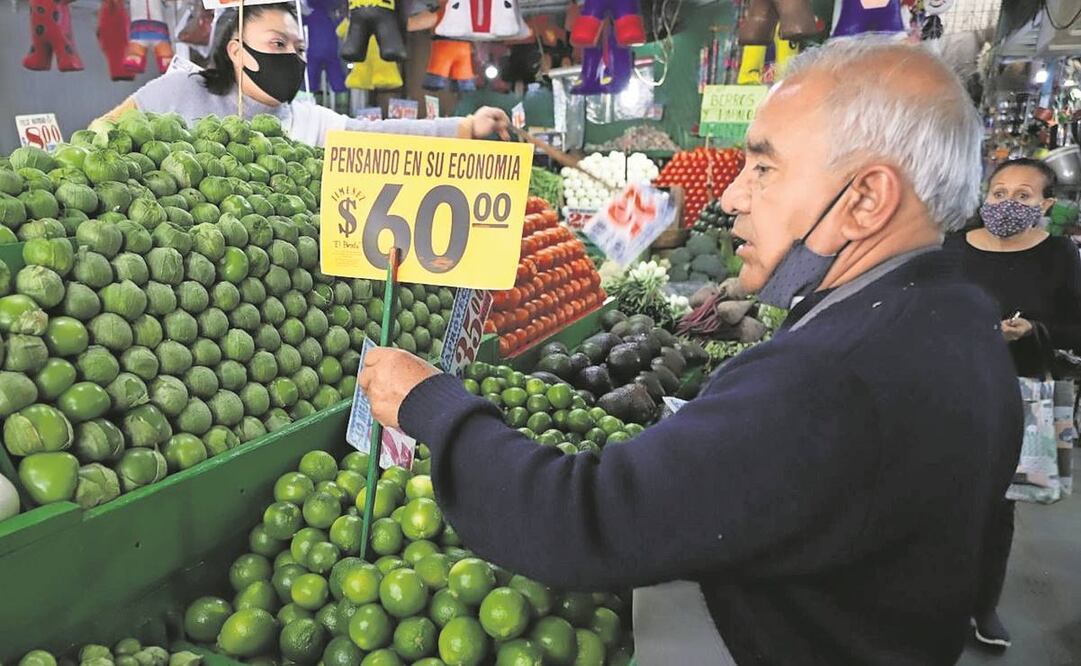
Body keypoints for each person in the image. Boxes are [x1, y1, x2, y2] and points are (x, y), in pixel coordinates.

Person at [360, 36, 1023, 664]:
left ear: (866, 199)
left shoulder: (831, 377)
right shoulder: (958, 315)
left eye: (763, 168)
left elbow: (579, 520)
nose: (732, 196)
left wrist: (431, 404)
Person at [947, 158, 1081, 649]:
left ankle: (983, 607)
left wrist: (1033, 331)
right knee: (939, 496)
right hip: (951, 387)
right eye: (999, 192)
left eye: (1023, 196)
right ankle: (932, 599)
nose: (1008, 203)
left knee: (997, 507)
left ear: (1046, 204)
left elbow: (1075, 327)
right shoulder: (954, 246)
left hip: (1020, 391)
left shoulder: (1059, 254)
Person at [100, 3, 509, 147]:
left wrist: (467, 126)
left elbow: (381, 135)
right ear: (237, 51)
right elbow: (99, 136)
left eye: (298, 49)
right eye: (278, 43)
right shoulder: (176, 91)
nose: (291, 58)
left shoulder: (308, 122)